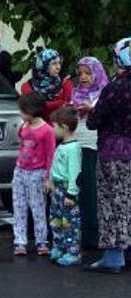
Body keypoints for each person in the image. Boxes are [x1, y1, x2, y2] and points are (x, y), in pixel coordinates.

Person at [85, 37, 131, 273]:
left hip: (113, 152)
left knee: (111, 202)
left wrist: (90, 112)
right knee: (128, 200)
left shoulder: (114, 87)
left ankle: (113, 257)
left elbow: (94, 121)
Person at [70, 57, 109, 248]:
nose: (83, 77)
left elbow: (105, 115)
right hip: (77, 145)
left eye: (88, 73)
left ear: (97, 74)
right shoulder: (75, 92)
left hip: (94, 147)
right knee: (78, 190)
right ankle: (80, 235)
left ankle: (95, 237)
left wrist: (90, 109)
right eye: (80, 74)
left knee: (93, 192)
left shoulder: (104, 93)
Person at [12, 92, 55, 256]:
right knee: (19, 207)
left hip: (38, 173)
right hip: (20, 171)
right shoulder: (24, 126)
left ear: (31, 110)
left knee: (38, 207)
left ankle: (42, 240)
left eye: (22, 111)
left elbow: (51, 155)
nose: (20, 114)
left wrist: (48, 178)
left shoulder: (47, 131)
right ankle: (20, 241)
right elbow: (21, 143)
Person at [47, 107, 82, 266]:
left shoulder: (73, 148)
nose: (52, 130)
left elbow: (74, 172)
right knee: (56, 219)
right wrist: (50, 181)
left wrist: (71, 194)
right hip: (57, 189)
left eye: (54, 126)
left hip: (67, 189)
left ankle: (72, 251)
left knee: (70, 222)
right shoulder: (61, 146)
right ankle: (59, 246)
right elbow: (56, 167)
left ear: (65, 127)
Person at [21, 49, 74, 122]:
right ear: (43, 65)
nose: (58, 67)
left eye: (59, 63)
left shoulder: (66, 84)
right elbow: (33, 107)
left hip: (60, 129)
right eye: (54, 63)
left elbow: (69, 108)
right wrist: (59, 104)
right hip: (37, 129)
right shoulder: (28, 86)